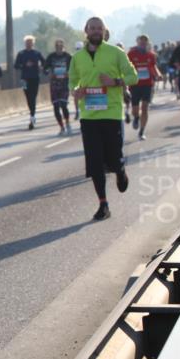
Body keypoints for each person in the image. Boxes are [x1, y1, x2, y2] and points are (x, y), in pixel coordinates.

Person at [69, 17, 138, 221]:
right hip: (88, 116)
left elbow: (133, 77)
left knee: (114, 158)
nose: (96, 31)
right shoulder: (77, 57)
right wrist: (76, 91)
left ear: (104, 31)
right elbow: (72, 81)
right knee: (95, 162)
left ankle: (120, 171)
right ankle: (103, 204)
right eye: (92, 28)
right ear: (86, 31)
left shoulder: (116, 53)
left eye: (99, 28)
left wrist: (115, 81)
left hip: (111, 114)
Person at [126, 34, 161, 141]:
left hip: (147, 84)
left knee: (145, 108)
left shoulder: (151, 55)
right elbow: (126, 67)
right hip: (135, 85)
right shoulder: (131, 54)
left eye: (145, 42)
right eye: (141, 41)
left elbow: (153, 66)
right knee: (135, 110)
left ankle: (141, 131)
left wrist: (158, 74)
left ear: (147, 43)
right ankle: (136, 117)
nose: (143, 43)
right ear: (137, 42)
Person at [14, 35, 45, 129]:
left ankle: (32, 116)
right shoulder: (21, 54)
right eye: (27, 43)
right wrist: (24, 65)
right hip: (24, 79)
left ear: (33, 43)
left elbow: (45, 62)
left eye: (30, 43)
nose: (28, 44)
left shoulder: (37, 53)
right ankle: (32, 113)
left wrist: (40, 67)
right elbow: (16, 66)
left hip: (35, 78)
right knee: (28, 97)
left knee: (33, 97)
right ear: (25, 43)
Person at [44, 39, 73, 136]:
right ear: (55, 47)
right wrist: (49, 73)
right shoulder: (51, 56)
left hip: (64, 84)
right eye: (57, 46)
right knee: (56, 106)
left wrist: (68, 74)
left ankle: (68, 124)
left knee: (64, 105)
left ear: (63, 46)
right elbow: (45, 69)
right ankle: (61, 127)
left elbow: (74, 69)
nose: (59, 47)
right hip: (54, 84)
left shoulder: (68, 57)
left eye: (61, 46)